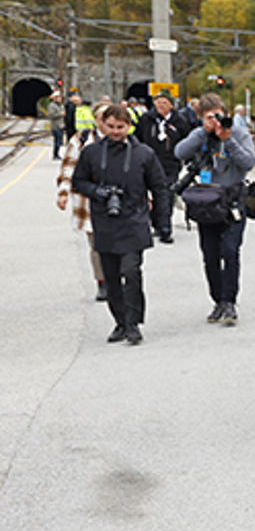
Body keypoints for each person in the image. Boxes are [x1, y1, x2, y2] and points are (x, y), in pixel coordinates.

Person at [70, 104, 171, 346]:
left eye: (121, 127)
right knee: (112, 277)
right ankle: (120, 322)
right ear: (103, 125)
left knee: (131, 272)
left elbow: (159, 187)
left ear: (129, 126)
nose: (116, 132)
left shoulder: (144, 153)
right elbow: (78, 181)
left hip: (134, 220)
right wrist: (97, 191)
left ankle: (134, 322)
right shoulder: (92, 152)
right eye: (112, 127)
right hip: (105, 221)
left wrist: (163, 221)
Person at [173, 93, 255, 325]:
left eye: (219, 115)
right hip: (207, 201)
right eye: (209, 117)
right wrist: (203, 132)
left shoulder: (239, 133)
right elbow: (179, 152)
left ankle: (230, 300)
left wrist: (227, 138)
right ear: (200, 118)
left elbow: (249, 162)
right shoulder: (200, 135)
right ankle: (218, 299)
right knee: (210, 254)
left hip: (232, 198)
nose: (216, 121)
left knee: (230, 250)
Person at [56, 112, 106, 301]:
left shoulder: (124, 139)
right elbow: (68, 167)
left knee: (118, 244)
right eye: (102, 118)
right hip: (88, 202)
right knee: (96, 244)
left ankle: (116, 278)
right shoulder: (82, 140)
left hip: (118, 202)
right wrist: (63, 193)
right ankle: (102, 282)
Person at [134, 92, 191, 243]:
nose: (161, 106)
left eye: (164, 103)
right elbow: (137, 137)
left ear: (171, 105)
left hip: (170, 163)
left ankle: (165, 227)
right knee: (152, 194)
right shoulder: (146, 119)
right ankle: (156, 223)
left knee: (166, 192)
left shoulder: (179, 121)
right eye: (158, 103)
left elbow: (188, 141)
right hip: (149, 162)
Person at [46, 92, 65, 160]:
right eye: (58, 97)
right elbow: (51, 115)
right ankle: (55, 154)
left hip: (61, 126)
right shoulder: (52, 106)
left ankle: (57, 154)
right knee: (57, 141)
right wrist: (61, 114)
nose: (59, 98)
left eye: (60, 97)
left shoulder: (61, 105)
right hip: (55, 126)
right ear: (55, 98)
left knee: (59, 141)